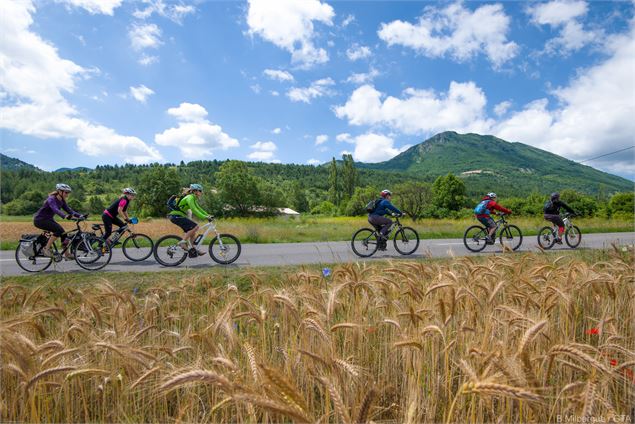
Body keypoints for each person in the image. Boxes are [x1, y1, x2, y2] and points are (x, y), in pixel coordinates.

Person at [33, 183, 85, 258]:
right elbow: (55, 209)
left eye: (68, 193)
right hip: (40, 220)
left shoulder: (62, 201)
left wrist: (80, 215)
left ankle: (67, 255)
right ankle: (46, 249)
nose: (67, 194)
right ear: (60, 191)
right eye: (66, 192)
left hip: (48, 219)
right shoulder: (51, 199)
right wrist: (64, 216)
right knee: (59, 231)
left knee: (63, 233)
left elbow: (69, 210)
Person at [168, 183, 213, 256]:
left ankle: (194, 249)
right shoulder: (190, 197)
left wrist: (208, 215)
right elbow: (194, 209)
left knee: (193, 232)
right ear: (195, 191)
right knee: (196, 226)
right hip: (176, 216)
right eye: (200, 191)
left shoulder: (193, 198)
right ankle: (183, 242)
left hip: (178, 216)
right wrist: (204, 217)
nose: (201, 192)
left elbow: (199, 209)